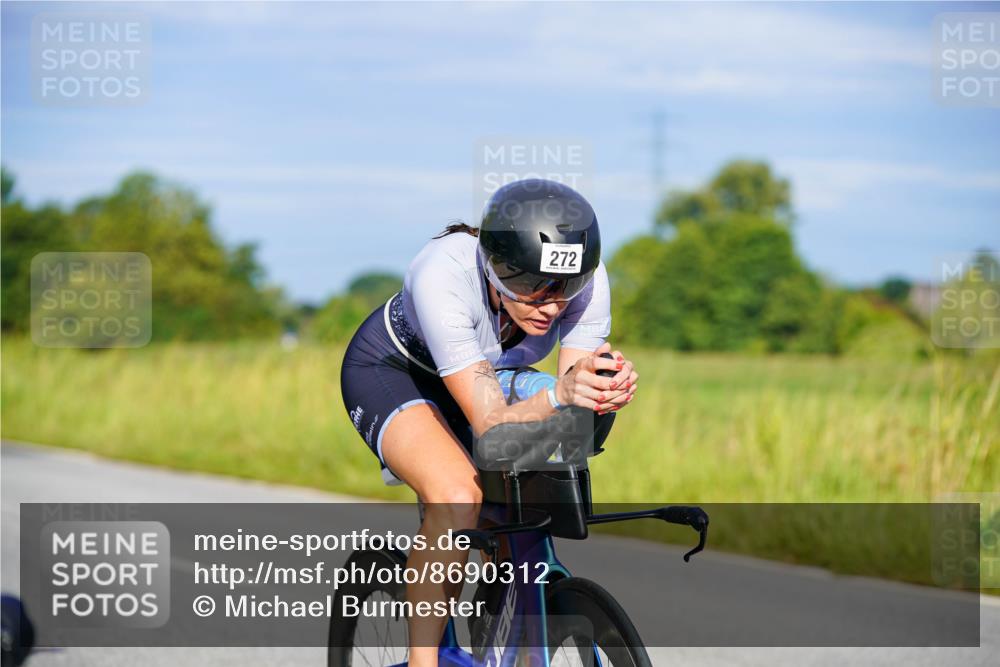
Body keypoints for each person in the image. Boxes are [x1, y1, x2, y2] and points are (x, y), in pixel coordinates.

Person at [339, 178, 638, 666]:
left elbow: (571, 401)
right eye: (533, 287)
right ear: (497, 267)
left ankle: (503, 629)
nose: (552, 304)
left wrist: (602, 392)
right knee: (457, 496)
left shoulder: (585, 279)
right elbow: (494, 424)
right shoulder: (442, 273)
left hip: (487, 377)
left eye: (566, 287)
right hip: (397, 376)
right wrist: (562, 393)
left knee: (521, 503)